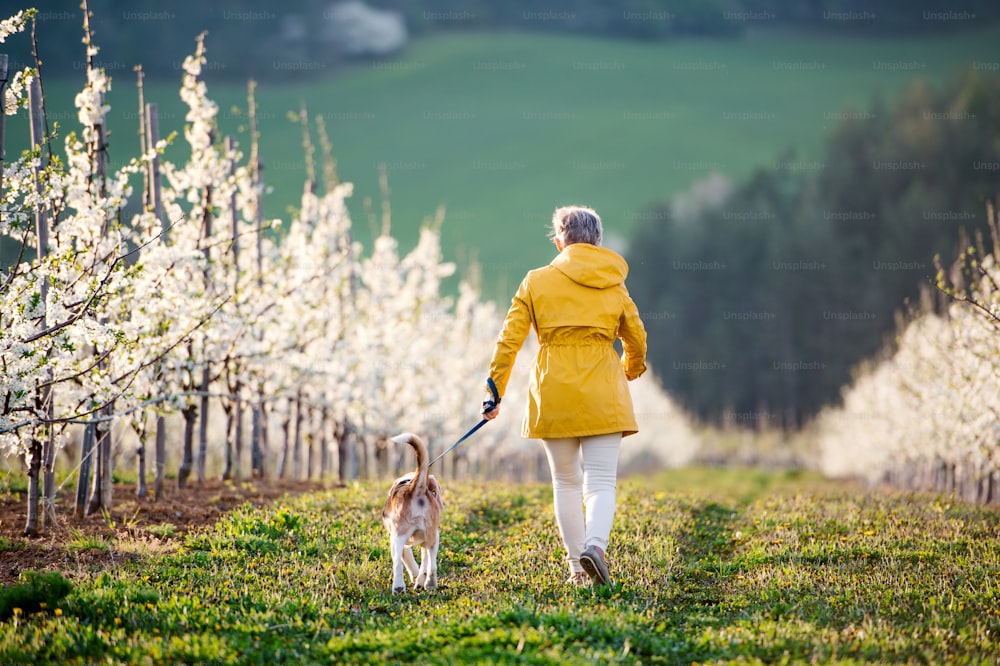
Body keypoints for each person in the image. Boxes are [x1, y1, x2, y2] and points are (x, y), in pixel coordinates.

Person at [481, 205, 647, 586]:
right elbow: (635, 335)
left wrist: (494, 392)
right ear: (598, 241)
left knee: (566, 482)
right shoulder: (614, 283)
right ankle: (596, 547)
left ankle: (577, 568)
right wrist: (630, 369)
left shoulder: (535, 281)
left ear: (559, 242)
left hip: (553, 390)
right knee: (602, 482)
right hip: (603, 389)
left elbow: (509, 341)